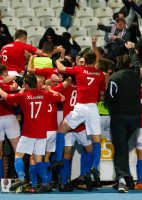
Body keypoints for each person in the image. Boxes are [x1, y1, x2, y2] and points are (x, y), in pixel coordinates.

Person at [0, 74, 64, 193]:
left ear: (26, 85)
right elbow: (62, 98)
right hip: (42, 133)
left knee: (18, 155)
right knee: (38, 159)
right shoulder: (45, 95)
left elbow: (5, 96)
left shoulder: (23, 96)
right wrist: (50, 89)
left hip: (28, 132)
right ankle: (46, 181)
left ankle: (21, 177)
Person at [51, 51, 106, 190]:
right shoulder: (100, 74)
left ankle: (58, 161)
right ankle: (94, 166)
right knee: (96, 141)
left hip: (79, 109)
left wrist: (59, 59)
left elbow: (61, 69)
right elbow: (102, 95)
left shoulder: (75, 74)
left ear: (84, 61)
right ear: (95, 62)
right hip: (92, 108)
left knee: (61, 132)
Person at [104, 42, 141, 193]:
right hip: (135, 118)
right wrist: (131, 48)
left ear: (118, 65)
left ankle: (121, 179)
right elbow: (137, 62)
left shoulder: (114, 77)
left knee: (120, 147)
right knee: (123, 146)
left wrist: (112, 107)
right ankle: (128, 178)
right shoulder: (136, 74)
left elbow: (108, 98)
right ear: (130, 65)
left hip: (119, 117)